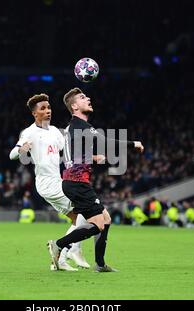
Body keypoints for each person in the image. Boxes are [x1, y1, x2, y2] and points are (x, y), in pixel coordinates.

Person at [47, 88, 144, 272]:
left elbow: (72, 157)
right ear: (74, 106)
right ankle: (59, 245)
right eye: (83, 97)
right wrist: (133, 143)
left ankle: (100, 264)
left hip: (74, 182)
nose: (88, 98)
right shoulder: (80, 125)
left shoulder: (73, 128)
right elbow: (106, 141)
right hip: (76, 183)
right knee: (98, 224)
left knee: (105, 219)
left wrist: (92, 157)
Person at [9, 93, 90, 271]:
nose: (47, 111)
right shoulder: (29, 132)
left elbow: (66, 149)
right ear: (34, 113)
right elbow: (12, 154)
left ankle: (60, 258)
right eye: (43, 108)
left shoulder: (54, 132)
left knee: (80, 219)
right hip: (47, 184)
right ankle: (70, 250)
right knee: (87, 212)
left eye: (49, 107)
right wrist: (21, 149)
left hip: (59, 181)